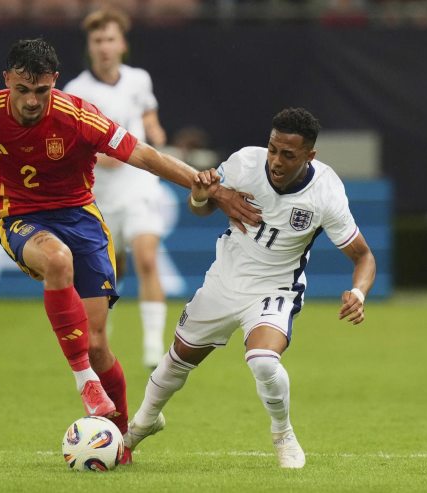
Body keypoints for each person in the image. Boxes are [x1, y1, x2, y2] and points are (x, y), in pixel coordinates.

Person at [0, 38, 260, 463]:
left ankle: (123, 439)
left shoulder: (77, 116)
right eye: (22, 90)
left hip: (81, 219)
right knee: (57, 260)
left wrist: (215, 190)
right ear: (7, 80)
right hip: (20, 218)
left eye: (41, 90)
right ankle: (84, 382)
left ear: (54, 82)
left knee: (96, 345)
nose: (31, 101)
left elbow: (143, 154)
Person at [123, 107, 377, 469]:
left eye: (288, 154)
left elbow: (363, 256)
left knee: (263, 360)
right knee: (176, 361)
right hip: (224, 280)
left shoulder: (326, 193)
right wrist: (199, 195)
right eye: (272, 149)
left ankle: (283, 434)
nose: (276, 161)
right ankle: (142, 425)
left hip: (276, 288)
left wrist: (359, 292)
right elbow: (202, 207)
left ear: (310, 155)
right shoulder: (244, 163)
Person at [63, 9, 170, 369]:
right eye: (98, 41)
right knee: (109, 273)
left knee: (147, 258)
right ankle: (100, 337)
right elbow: (68, 144)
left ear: (122, 44)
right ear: (90, 46)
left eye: (110, 39)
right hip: (100, 194)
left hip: (139, 184)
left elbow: (148, 113)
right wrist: (95, 155)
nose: (104, 47)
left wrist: (154, 131)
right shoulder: (75, 92)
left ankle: (153, 347)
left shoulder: (139, 79)